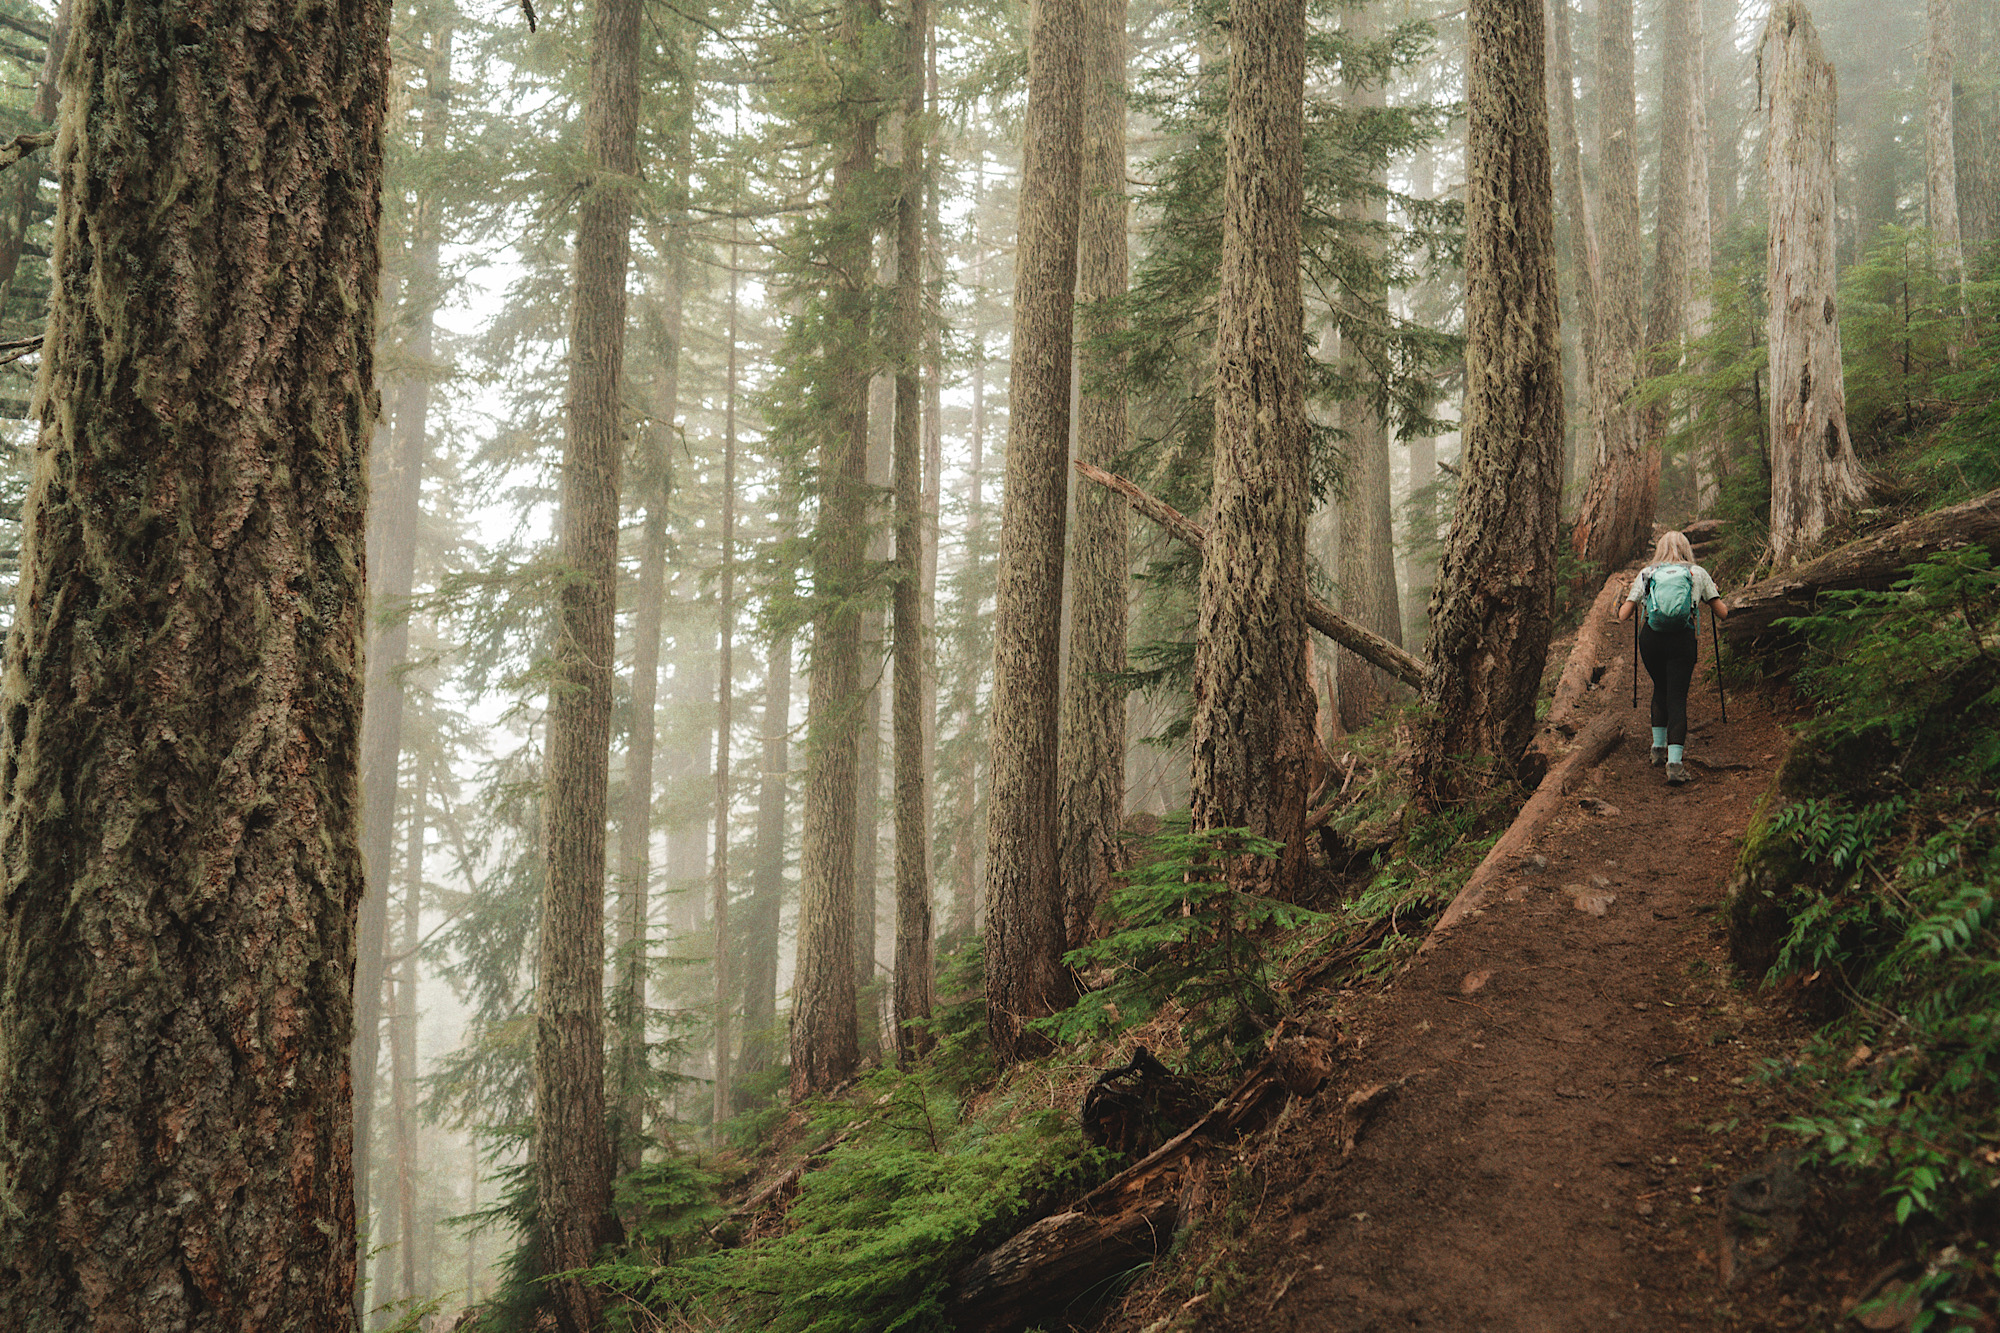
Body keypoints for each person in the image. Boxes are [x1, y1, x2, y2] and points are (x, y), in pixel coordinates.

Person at [1617, 531, 1728, 786]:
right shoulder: (1697, 573)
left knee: (1660, 688)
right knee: (1676, 696)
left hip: (1651, 640)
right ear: (1687, 548)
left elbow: (1623, 615)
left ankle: (1658, 750)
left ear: (1660, 548)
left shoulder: (1647, 573)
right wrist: (1712, 594)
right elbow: (1722, 613)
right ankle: (1675, 765)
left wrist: (1628, 599)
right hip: (1681, 640)